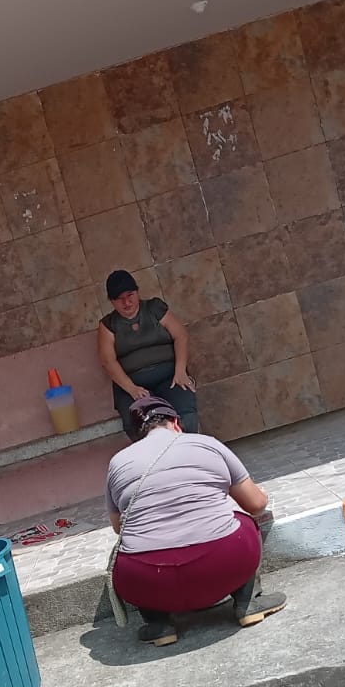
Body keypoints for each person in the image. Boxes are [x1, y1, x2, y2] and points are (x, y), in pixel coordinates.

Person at [105, 395, 285, 646]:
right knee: (242, 521)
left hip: (148, 579)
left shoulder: (118, 462)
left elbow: (119, 528)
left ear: (136, 436)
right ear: (176, 423)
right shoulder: (207, 444)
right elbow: (256, 504)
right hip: (222, 563)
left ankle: (159, 625)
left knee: (130, 548)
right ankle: (248, 603)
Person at [98, 269, 198, 440]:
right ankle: (157, 456)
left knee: (185, 410)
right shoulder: (108, 325)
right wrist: (132, 388)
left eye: (130, 295)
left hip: (170, 376)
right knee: (138, 422)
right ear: (111, 301)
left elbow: (180, 335)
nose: (127, 303)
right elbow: (108, 361)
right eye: (119, 299)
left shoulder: (154, 308)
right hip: (132, 384)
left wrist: (180, 371)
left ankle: (188, 450)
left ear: (137, 292)